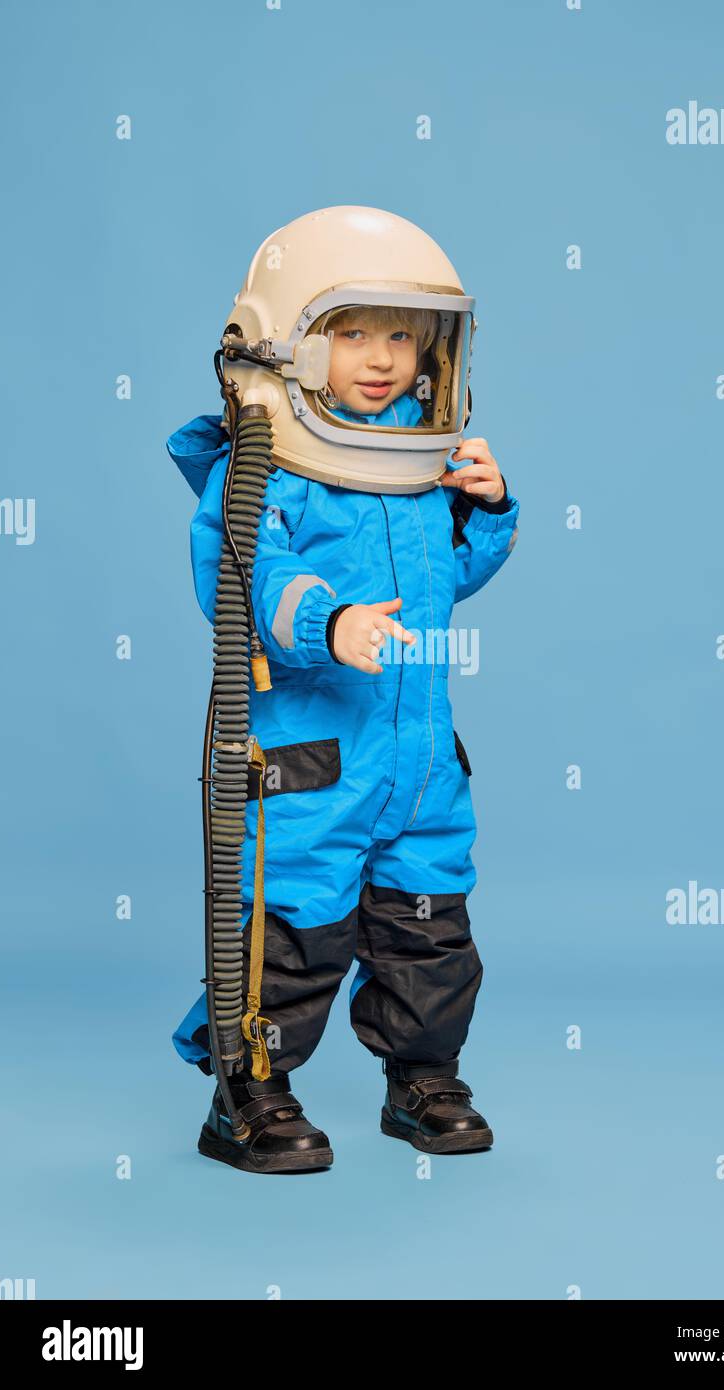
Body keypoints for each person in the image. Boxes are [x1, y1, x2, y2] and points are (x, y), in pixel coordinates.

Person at [166, 206, 520, 1172]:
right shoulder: (267, 466)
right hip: (311, 767)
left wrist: (484, 511)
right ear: (282, 343)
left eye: (401, 334)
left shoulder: (419, 456)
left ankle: (422, 1079)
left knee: (429, 931)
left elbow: (447, 580)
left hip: (418, 764)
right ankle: (250, 1092)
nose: (380, 357)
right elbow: (245, 574)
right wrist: (331, 623)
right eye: (350, 331)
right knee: (293, 937)